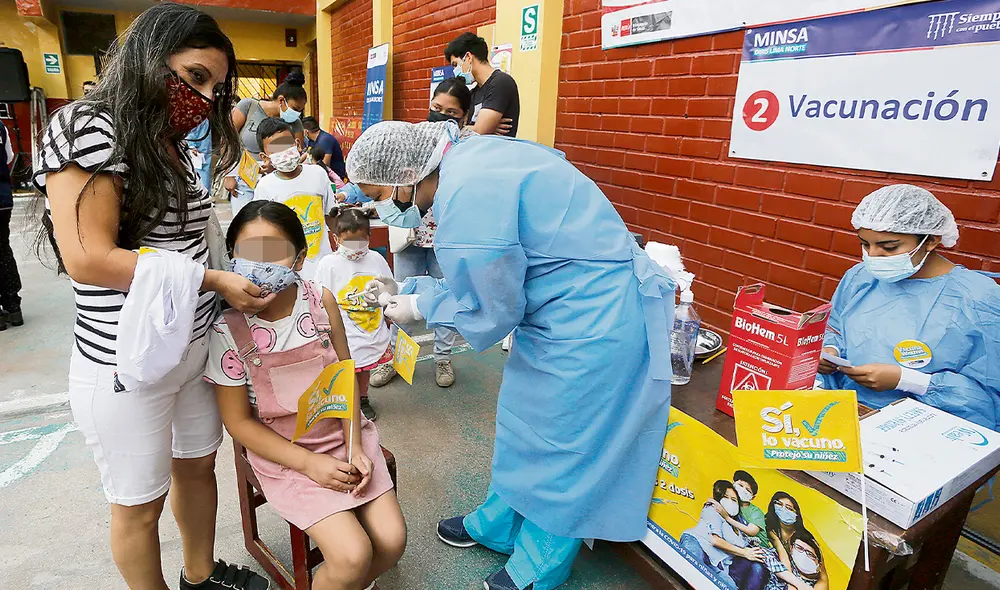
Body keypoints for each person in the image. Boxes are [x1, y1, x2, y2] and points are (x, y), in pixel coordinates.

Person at [349, 120, 676, 590]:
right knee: (526, 422)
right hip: (559, 310)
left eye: (379, 193)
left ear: (405, 171)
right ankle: (500, 524)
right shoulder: (472, 160)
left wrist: (420, 305)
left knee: (567, 443)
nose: (383, 208)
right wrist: (410, 288)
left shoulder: (468, 194)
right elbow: (490, 274)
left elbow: (491, 306)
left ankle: (537, 568)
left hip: (594, 322)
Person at [33, 4, 272, 589]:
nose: (205, 98)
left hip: (190, 352)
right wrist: (212, 280)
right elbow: (88, 257)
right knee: (138, 504)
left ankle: (200, 574)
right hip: (125, 361)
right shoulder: (88, 125)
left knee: (197, 469)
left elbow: (188, 240)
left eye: (215, 88)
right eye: (194, 77)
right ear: (148, 57)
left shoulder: (166, 139)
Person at [207, 201, 405, 590]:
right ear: (231, 260)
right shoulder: (226, 331)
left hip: (344, 437)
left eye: (273, 252)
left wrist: (355, 447)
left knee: (392, 542)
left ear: (299, 259)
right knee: (352, 555)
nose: (260, 265)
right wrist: (309, 464)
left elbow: (343, 376)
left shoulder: (320, 301)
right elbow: (238, 423)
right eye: (248, 253)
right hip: (285, 456)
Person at [818, 184, 1000, 431]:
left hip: (926, 429)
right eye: (865, 244)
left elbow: (989, 396)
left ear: (931, 240)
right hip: (849, 411)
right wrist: (830, 351)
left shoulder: (979, 298)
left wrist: (910, 381)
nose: (873, 255)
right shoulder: (861, 277)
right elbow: (837, 327)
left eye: (889, 247)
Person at [368, 78, 471, 390]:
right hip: (409, 235)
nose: (440, 116)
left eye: (450, 112)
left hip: (445, 240)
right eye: (436, 108)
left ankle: (442, 358)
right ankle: (396, 360)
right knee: (399, 299)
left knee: (444, 298)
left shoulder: (467, 148)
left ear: (464, 117)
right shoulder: (412, 139)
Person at [315, 208, 393, 422]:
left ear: (369, 237)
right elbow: (321, 296)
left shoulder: (376, 259)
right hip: (343, 327)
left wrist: (388, 309)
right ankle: (346, 401)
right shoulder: (328, 264)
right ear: (336, 238)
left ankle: (363, 398)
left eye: (360, 241)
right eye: (348, 242)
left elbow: (388, 285)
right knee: (347, 366)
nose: (355, 248)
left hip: (370, 323)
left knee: (365, 364)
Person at [252, 117, 336, 281]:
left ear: (297, 144)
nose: (283, 152)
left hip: (322, 267)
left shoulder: (318, 174)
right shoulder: (265, 186)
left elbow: (330, 215)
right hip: (288, 272)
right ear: (265, 157)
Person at [224, 71, 307, 215]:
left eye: (300, 110)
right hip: (244, 180)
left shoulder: (295, 123)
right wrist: (228, 173)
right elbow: (227, 139)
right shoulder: (248, 107)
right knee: (245, 225)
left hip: (278, 180)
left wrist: (275, 167)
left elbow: (297, 154)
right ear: (281, 100)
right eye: (295, 108)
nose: (297, 114)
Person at [678, 480, 773, 590]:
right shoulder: (712, 509)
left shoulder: (737, 528)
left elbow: (747, 540)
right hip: (697, 543)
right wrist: (744, 552)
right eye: (726, 497)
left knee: (730, 586)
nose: (729, 501)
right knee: (692, 569)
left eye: (734, 500)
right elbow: (715, 540)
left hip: (715, 564)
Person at [445, 32, 520, 137]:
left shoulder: (500, 82)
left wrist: (480, 128)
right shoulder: (473, 92)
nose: (455, 71)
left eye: (455, 64)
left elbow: (479, 131)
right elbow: (472, 128)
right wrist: (482, 127)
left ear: (468, 57)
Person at [0, 119, 22, 331]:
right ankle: (13, 305)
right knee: (3, 250)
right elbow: (9, 157)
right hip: (2, 199)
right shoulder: (0, 126)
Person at [734, 470, 771, 549]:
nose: (743, 490)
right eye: (740, 485)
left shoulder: (755, 512)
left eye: (748, 490)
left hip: (759, 550)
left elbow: (751, 531)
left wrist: (727, 518)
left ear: (752, 497)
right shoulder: (728, 504)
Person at [303, 115, 347, 181]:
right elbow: (307, 153)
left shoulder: (324, 140)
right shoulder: (311, 140)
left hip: (334, 177)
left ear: (306, 131)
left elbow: (325, 164)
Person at [186, 118, 213, 192]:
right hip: (201, 150)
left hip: (201, 150)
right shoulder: (202, 118)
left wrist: (191, 145)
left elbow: (191, 134)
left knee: (200, 174)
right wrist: (191, 145)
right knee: (202, 174)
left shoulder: (200, 118)